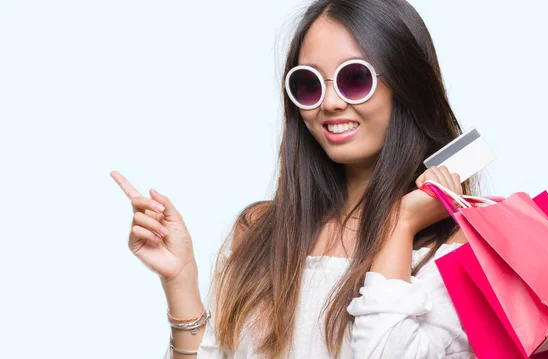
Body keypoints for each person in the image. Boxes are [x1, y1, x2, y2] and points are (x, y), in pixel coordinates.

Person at [111, 0, 479, 357]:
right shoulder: (260, 231)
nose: (330, 102)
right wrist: (180, 280)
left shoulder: (458, 246)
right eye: (308, 84)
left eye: (354, 78)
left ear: (406, 85)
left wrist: (401, 225)